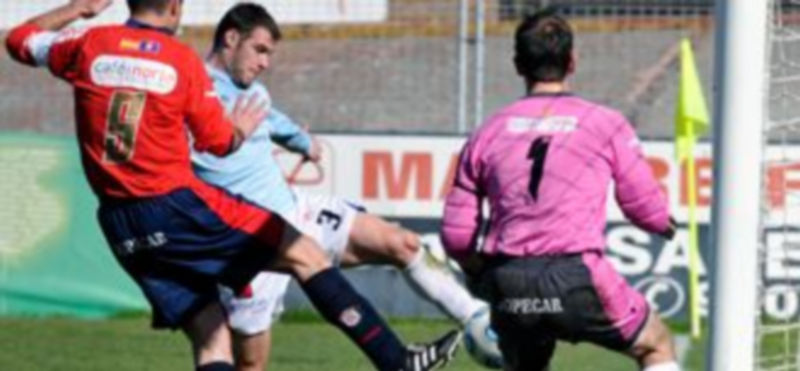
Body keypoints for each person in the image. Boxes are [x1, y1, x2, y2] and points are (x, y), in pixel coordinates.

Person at [4, 1, 460, 370]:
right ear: (175, 7)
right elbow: (218, 142)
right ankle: (395, 360)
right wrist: (238, 128)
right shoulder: (181, 61)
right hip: (176, 206)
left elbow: (18, 39)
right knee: (305, 253)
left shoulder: (88, 45)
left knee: (211, 337)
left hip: (121, 224)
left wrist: (78, 9)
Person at [191, 4, 490, 371]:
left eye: (270, 54)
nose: (265, 63)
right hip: (249, 235)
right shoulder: (193, 90)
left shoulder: (255, 92)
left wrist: (305, 143)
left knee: (402, 243)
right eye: (260, 50)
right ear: (231, 38)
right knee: (251, 364)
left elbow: (274, 121)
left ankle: (478, 320)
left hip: (297, 210)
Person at [441, 9, 681, 371]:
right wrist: (662, 223)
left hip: (510, 279)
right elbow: (641, 205)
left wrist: (481, 273)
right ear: (572, 61)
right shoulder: (604, 123)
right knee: (656, 344)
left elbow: (457, 237)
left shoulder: (487, 132)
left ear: (518, 65)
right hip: (576, 275)